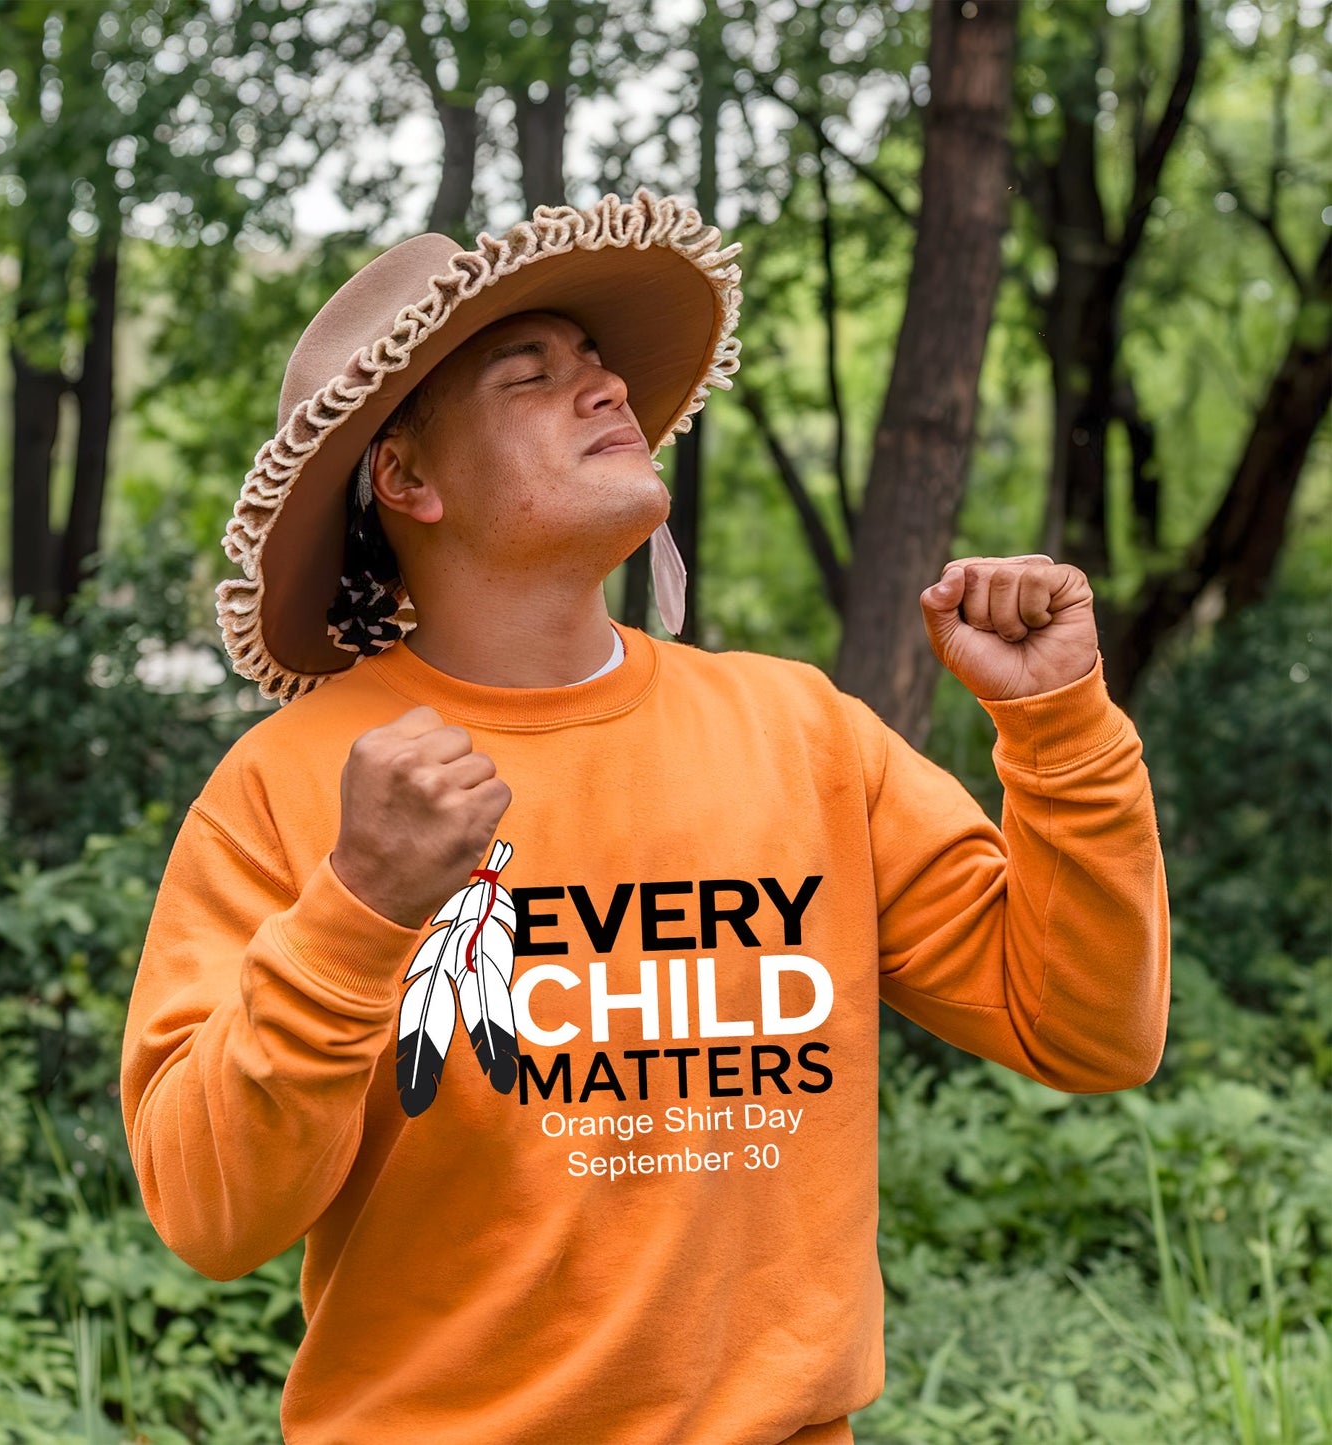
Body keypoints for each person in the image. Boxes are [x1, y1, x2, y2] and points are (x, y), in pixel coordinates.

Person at [121, 188, 1171, 1445]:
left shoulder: (801, 732)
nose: (608, 389)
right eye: (530, 375)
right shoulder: (293, 783)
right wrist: (356, 909)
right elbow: (207, 1210)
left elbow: (1087, 1028)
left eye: (601, 365)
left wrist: (1057, 726)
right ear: (404, 475)